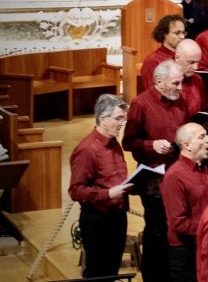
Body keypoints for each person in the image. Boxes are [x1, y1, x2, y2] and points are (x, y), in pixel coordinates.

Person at [123, 60, 188, 281]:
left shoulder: (180, 102)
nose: (181, 88)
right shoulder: (141, 104)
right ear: (159, 82)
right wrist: (152, 145)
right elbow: (128, 142)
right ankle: (154, 276)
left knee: (176, 227)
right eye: (176, 83)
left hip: (178, 174)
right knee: (157, 229)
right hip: (153, 180)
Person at [68, 94, 132, 278]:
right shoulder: (87, 149)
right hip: (97, 221)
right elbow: (76, 190)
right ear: (103, 119)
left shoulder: (114, 144)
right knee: (97, 274)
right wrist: (109, 193)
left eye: (124, 118)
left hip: (118, 217)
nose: (122, 123)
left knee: (111, 272)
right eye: (119, 118)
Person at [161, 123, 208, 282]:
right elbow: (178, 222)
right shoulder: (174, 176)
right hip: (186, 252)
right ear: (187, 145)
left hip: (204, 245)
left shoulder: (204, 169)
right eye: (202, 137)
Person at [140, 14, 186, 91]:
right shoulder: (153, 61)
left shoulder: (184, 56)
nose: (182, 37)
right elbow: (152, 93)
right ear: (164, 34)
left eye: (183, 33)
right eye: (177, 33)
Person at [174, 39, 208, 115]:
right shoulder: (166, 81)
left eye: (198, 62)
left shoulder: (198, 79)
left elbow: (203, 109)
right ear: (177, 58)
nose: (196, 67)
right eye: (191, 62)